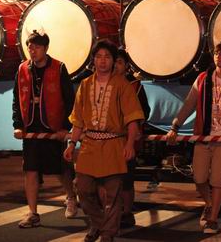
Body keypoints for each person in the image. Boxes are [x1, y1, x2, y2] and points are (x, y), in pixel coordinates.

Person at [166, 39, 221, 234]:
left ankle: (212, 219)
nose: (217, 57)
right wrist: (175, 126)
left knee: (217, 181)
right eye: (216, 53)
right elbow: (189, 104)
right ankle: (210, 204)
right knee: (199, 179)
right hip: (202, 137)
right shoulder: (203, 78)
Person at [63, 40, 144, 242]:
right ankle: (99, 224)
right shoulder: (85, 85)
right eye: (98, 56)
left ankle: (107, 233)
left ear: (113, 60)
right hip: (89, 144)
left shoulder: (122, 85)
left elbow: (133, 118)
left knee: (113, 194)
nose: (102, 61)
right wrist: (72, 144)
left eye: (107, 57)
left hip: (114, 144)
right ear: (93, 60)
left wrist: (129, 144)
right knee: (83, 189)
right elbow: (78, 120)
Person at [12, 30, 78, 228]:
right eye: (30, 47)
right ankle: (33, 212)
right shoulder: (22, 69)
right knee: (30, 170)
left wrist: (65, 127)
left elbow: (70, 100)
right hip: (31, 128)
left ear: (46, 48)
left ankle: (71, 196)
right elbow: (17, 99)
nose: (32, 51)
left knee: (60, 169)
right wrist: (17, 125)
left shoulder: (59, 68)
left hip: (54, 127)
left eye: (37, 47)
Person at [114, 48, 150, 228]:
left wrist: (134, 129)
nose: (115, 65)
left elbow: (145, 111)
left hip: (127, 140)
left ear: (127, 66)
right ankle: (113, 211)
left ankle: (127, 213)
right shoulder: (104, 82)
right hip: (109, 140)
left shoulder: (136, 85)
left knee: (126, 179)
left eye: (120, 62)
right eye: (114, 61)